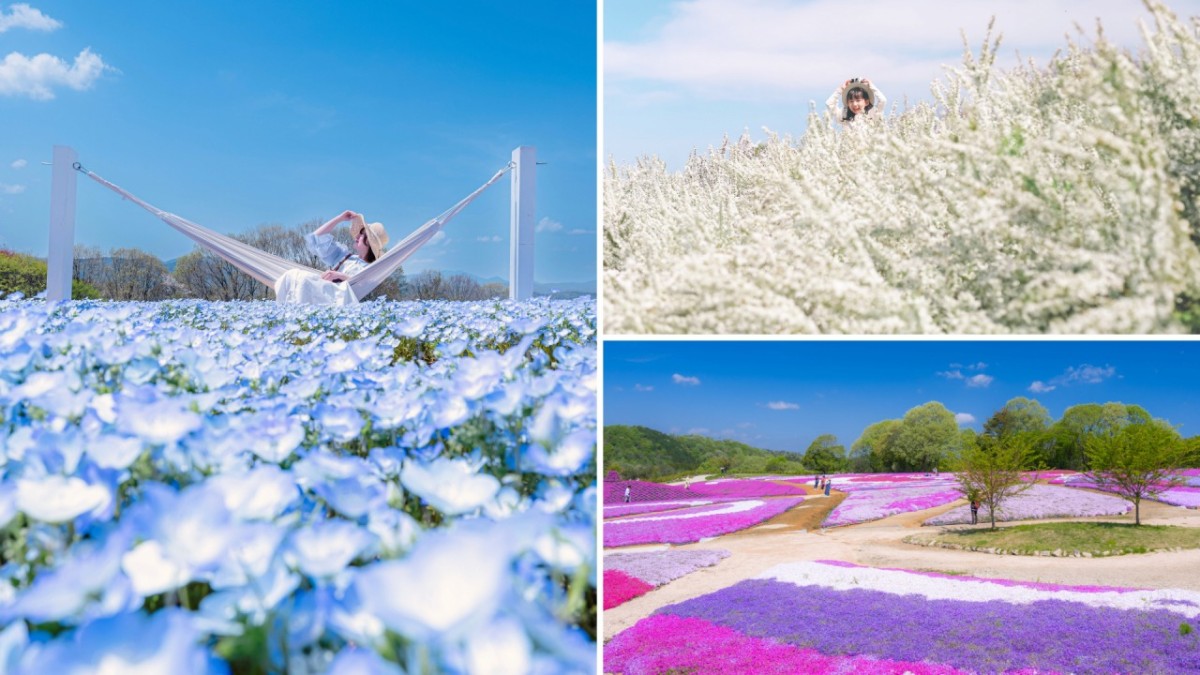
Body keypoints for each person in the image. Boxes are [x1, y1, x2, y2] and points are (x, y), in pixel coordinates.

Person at [274, 210, 390, 305]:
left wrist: (341, 276)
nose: (357, 236)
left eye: (363, 234)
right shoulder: (345, 256)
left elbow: (362, 286)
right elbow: (317, 238)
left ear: (369, 242)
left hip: (336, 301)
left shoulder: (371, 269)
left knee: (302, 279)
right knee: (292, 274)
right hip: (324, 293)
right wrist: (339, 218)